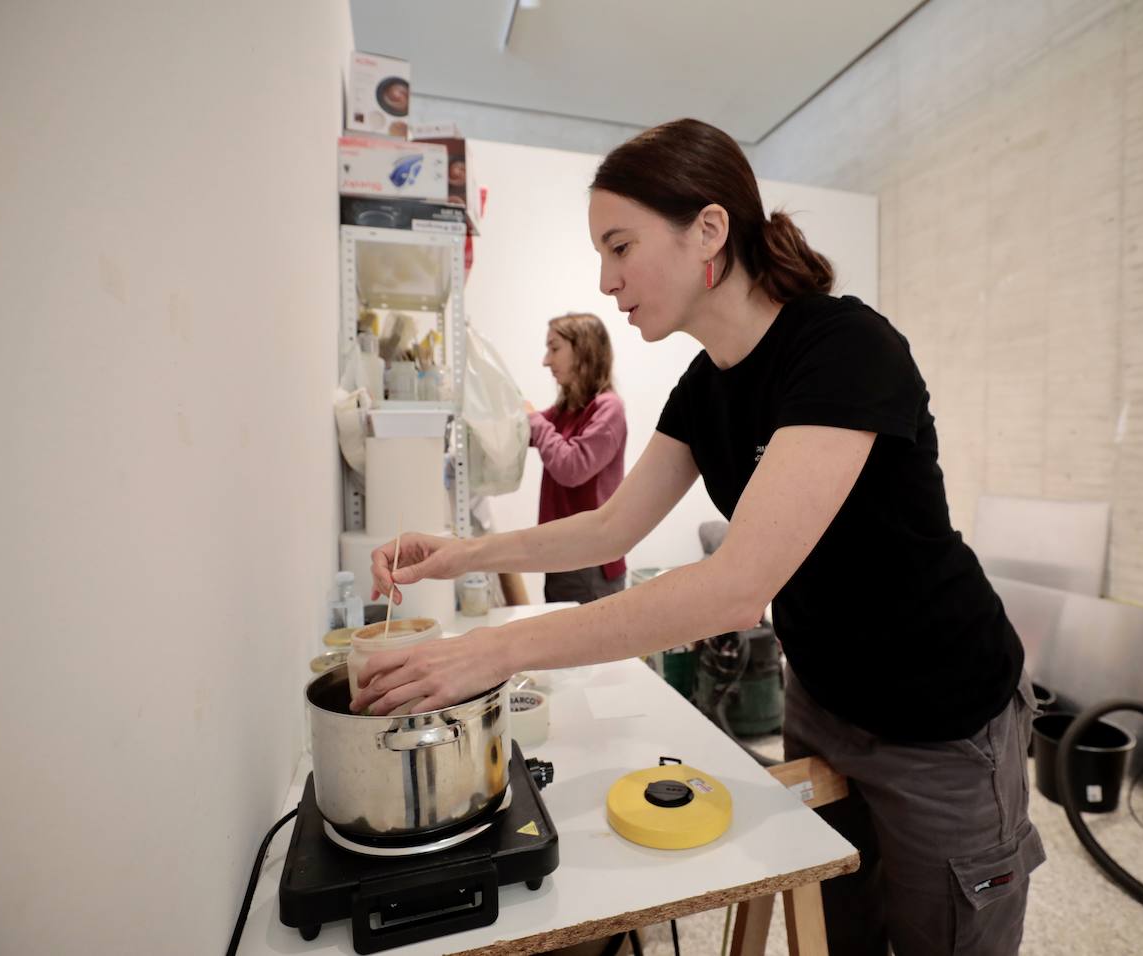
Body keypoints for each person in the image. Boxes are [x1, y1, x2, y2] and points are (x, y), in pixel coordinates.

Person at [360, 118, 1043, 955]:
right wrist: (461, 551)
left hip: (942, 720)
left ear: (709, 230)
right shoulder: (705, 385)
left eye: (620, 246)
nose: (606, 280)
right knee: (842, 931)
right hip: (825, 702)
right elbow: (613, 524)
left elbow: (733, 586)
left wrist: (494, 654)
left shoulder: (844, 349)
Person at [524, 313, 628, 604]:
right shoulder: (566, 410)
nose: (546, 361)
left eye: (554, 349)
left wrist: (533, 418)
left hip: (591, 564)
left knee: (593, 650)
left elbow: (571, 468)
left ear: (583, 350)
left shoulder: (608, 409)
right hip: (564, 557)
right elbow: (525, 431)